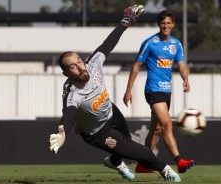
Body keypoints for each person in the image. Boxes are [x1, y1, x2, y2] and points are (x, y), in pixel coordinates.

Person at [49, 5, 181, 182]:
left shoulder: (93, 63)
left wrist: (126, 21)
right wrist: (63, 132)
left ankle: (114, 161)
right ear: (66, 73)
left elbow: (109, 42)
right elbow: (69, 113)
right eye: (73, 66)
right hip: (97, 132)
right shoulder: (73, 93)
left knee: (123, 146)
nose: (80, 66)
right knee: (139, 152)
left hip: (112, 113)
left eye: (79, 60)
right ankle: (164, 169)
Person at [123, 10, 194, 173]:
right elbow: (136, 66)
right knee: (167, 124)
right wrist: (128, 90)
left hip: (166, 91)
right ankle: (179, 161)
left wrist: (186, 80)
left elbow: (182, 65)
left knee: (156, 130)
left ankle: (142, 164)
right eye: (163, 23)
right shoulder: (150, 43)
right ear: (158, 24)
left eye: (169, 23)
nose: (166, 26)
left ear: (173, 25)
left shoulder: (176, 44)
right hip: (153, 90)